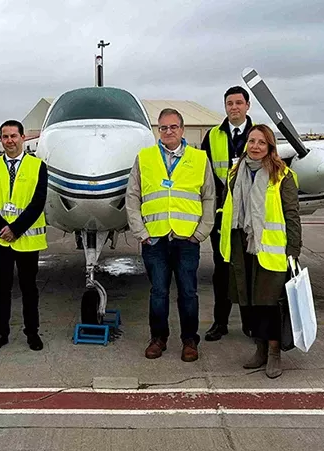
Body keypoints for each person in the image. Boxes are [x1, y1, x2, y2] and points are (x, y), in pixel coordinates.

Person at [125, 108, 215, 362]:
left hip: (187, 239)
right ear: (158, 131)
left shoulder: (199, 159)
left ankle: (189, 340)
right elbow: (132, 196)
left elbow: (209, 197)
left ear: (182, 129)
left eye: (173, 127)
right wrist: (140, 232)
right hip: (155, 238)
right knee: (158, 293)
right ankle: (158, 338)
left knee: (188, 292)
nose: (168, 132)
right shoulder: (145, 157)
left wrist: (201, 232)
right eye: (163, 128)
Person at [219, 124, 301, 379]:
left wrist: (293, 249)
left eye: (261, 142)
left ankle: (275, 352)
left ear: (270, 147)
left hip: (270, 248)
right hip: (241, 245)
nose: (255, 146)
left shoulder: (282, 176)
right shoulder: (235, 173)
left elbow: (292, 215)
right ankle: (260, 349)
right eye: (252, 141)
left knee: (269, 303)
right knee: (249, 301)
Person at [0, 120, 48, 352]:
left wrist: (16, 228)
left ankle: (32, 332)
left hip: (27, 239)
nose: (9, 141)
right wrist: (2, 229)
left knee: (29, 288)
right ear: (1, 140)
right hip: (0, 241)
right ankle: (1, 332)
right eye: (5, 137)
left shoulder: (38, 166)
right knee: (2, 288)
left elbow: (38, 202)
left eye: (13, 136)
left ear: (22, 137)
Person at [200, 86, 254, 342]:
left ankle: (250, 324)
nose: (234, 108)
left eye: (238, 103)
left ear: (247, 106)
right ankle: (220, 323)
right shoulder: (212, 136)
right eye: (229, 104)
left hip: (251, 216)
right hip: (222, 216)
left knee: (250, 270)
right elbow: (202, 173)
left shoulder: (259, 135)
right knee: (221, 271)